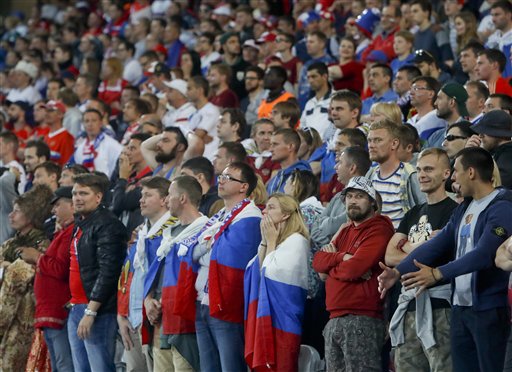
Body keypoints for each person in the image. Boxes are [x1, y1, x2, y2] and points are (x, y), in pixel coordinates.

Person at [378, 147, 512, 372]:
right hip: (460, 308)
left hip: (488, 309)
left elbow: (483, 255)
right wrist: (398, 271)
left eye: (456, 171)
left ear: (470, 173)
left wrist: (438, 273)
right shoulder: (464, 208)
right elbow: (437, 244)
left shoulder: (502, 207)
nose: (453, 178)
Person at [384, 149, 458, 372]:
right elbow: (389, 255)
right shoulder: (413, 212)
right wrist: (422, 246)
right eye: (418, 170)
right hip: (409, 307)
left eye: (428, 169)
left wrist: (407, 246)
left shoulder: (455, 210)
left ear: (446, 173)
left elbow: (438, 252)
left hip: (440, 308)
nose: (422, 175)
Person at [313, 176, 395, 372]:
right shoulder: (344, 230)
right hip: (334, 318)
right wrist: (343, 257)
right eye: (349, 196)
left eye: (359, 196)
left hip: (362, 318)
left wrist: (335, 265)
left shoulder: (380, 228)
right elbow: (317, 263)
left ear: (372, 202)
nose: (353, 201)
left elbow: (354, 269)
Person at [193, 162, 262, 371]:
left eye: (228, 177)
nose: (221, 180)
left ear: (243, 186)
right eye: (221, 176)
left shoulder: (250, 217)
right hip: (203, 301)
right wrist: (208, 246)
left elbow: (228, 258)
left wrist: (207, 247)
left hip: (227, 304)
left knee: (230, 366)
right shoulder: (220, 215)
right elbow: (194, 252)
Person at [143, 176, 208, 371]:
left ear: (182, 199)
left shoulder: (205, 230)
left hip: (187, 322)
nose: (166, 200)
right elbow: (155, 273)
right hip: (162, 318)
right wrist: (148, 299)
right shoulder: (168, 234)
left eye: (170, 195)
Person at [67, 173, 128, 372]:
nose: (77, 198)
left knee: (100, 368)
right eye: (75, 193)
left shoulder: (107, 225)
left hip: (97, 311)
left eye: (83, 193)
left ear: (99, 197)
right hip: (78, 306)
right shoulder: (81, 222)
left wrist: (91, 311)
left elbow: (108, 272)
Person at [244, 193, 309, 371]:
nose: (264, 211)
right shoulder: (276, 243)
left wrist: (270, 241)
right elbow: (255, 273)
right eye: (265, 207)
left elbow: (270, 275)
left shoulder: (297, 241)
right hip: (266, 319)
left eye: (271, 207)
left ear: (286, 214)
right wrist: (266, 242)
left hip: (283, 323)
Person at [117, 177, 175, 372]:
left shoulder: (172, 233)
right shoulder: (142, 234)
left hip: (155, 317)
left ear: (164, 200)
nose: (141, 200)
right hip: (133, 317)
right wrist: (121, 314)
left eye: (148, 195)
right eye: (142, 195)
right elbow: (128, 275)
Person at [19, 186, 75, 372]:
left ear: (72, 206)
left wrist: (36, 257)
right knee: (58, 365)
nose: (53, 210)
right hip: (49, 310)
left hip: (57, 310)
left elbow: (59, 269)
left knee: (64, 364)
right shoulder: (63, 233)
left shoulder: (70, 233)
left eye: (58, 205)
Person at [0, 185, 53, 371]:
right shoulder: (9, 243)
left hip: (26, 316)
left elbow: (33, 272)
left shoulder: (43, 243)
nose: (11, 215)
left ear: (30, 216)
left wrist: (9, 268)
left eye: (17, 211)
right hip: (5, 311)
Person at [367, 120, 425, 228]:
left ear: (394, 143)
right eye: (369, 141)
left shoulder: (411, 175)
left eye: (377, 140)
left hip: (402, 240)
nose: (371, 145)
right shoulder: (370, 175)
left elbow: (426, 212)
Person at [311, 146, 372, 250]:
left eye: (339, 163)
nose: (335, 167)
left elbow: (332, 227)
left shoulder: (363, 200)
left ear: (352, 168)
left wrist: (326, 225)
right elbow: (315, 228)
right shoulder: (338, 196)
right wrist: (329, 243)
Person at [112, 133, 153, 235]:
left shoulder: (150, 180)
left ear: (145, 151)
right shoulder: (131, 178)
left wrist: (122, 178)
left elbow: (118, 204)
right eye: (128, 148)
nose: (127, 153)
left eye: (132, 149)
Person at [71, 109, 123, 177]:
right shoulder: (79, 147)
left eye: (94, 120)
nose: (90, 124)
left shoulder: (112, 144)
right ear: (83, 125)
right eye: (87, 121)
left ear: (101, 123)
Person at [467, 110, 512, 189]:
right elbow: (449, 183)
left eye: (484, 132)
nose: (480, 135)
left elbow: (490, 189)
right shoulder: (496, 153)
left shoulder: (507, 158)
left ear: (499, 134)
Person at [266, 128, 312, 194]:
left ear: (290, 146)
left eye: (275, 144)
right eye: (271, 145)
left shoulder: (303, 176)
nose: (270, 149)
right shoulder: (275, 178)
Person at [187, 76, 220, 161]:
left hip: (209, 156)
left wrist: (194, 136)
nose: (186, 92)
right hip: (196, 155)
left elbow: (197, 135)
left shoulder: (211, 110)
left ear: (200, 90)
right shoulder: (195, 112)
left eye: (189, 88)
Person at [300, 62, 335, 140]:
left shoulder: (336, 98)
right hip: (310, 148)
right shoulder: (309, 103)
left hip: (328, 145)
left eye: (314, 76)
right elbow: (302, 126)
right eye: (308, 77)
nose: (310, 80)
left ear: (325, 76)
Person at [243, 119, 281, 184]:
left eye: (270, 133)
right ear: (253, 136)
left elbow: (272, 185)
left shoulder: (278, 158)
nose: (266, 137)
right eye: (262, 133)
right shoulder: (246, 156)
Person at [43, 100, 75, 166]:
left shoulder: (66, 137)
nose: (46, 113)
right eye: (46, 111)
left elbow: (67, 164)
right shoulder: (46, 137)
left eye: (51, 111)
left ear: (60, 114)